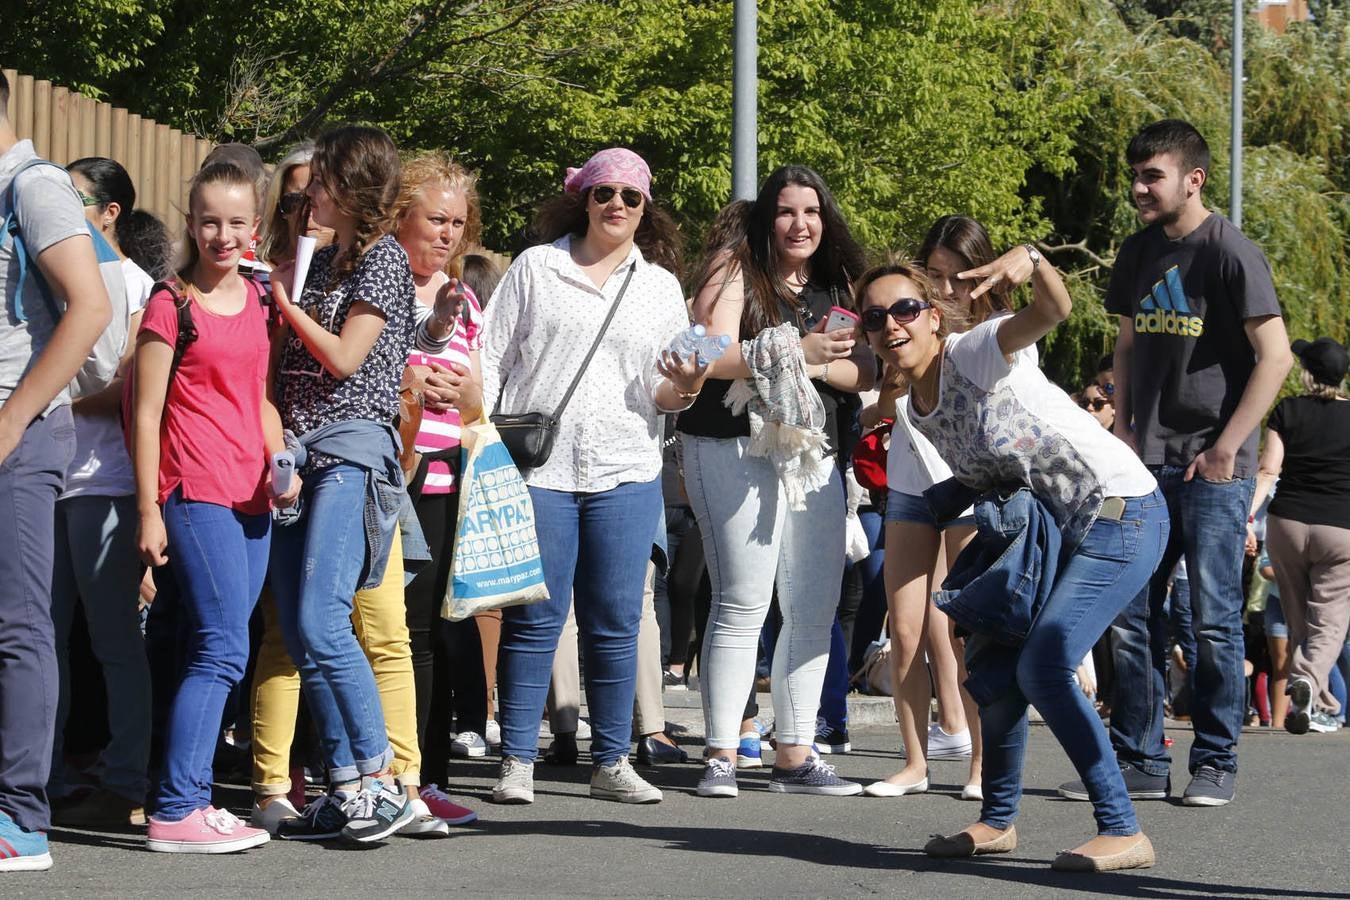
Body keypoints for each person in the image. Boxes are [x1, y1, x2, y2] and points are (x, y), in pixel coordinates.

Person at [857, 248, 1165, 870]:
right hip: (1051, 534)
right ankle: (997, 820)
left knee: (1048, 662)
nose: (891, 325)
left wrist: (1034, 262)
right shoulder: (917, 408)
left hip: (1118, 510)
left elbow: (1055, 308)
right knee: (995, 663)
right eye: (874, 318)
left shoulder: (975, 352)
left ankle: (1123, 827)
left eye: (905, 309)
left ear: (934, 318)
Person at [1074, 119, 1292, 808]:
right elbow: (1130, 349)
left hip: (1213, 470)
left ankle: (1217, 760)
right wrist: (1126, 432)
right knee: (1130, 611)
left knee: (1215, 618)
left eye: (1152, 176)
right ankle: (1140, 756)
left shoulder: (1230, 252)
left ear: (1193, 180)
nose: (1138, 188)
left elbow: (1277, 356)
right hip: (1144, 464)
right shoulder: (1138, 252)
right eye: (1134, 176)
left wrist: (1230, 445)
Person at [479, 147, 700, 806]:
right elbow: (490, 357)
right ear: (584, 197)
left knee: (615, 620)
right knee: (533, 619)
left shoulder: (660, 286)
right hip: (540, 469)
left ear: (644, 209)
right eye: (604, 192)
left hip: (626, 468)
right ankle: (517, 760)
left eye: (630, 198)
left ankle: (611, 760)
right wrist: (483, 445)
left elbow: (665, 391)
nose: (616, 206)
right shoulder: (537, 267)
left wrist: (685, 387)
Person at [678, 165, 875, 799]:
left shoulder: (838, 282)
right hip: (732, 444)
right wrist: (800, 354)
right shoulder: (733, 268)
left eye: (811, 212)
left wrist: (815, 361)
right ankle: (721, 754)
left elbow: (866, 372)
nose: (801, 224)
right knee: (743, 600)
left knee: (814, 605)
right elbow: (703, 355)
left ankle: (795, 752)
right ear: (767, 218)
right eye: (787, 212)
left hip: (813, 453)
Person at [133, 161, 292, 853]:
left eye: (235, 222)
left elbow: (256, 394)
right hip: (192, 492)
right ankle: (178, 807)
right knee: (222, 647)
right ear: (189, 222)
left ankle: (184, 798)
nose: (221, 235)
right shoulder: (172, 303)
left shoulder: (260, 298)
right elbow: (143, 416)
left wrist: (281, 462)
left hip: (252, 493)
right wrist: (147, 509)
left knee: (222, 645)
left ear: (253, 226)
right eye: (208, 221)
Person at [266, 125, 418, 843]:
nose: (309, 196)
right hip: (300, 453)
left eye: (321, 181)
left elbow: (347, 358)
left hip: (352, 448)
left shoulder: (385, 259)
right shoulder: (320, 260)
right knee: (300, 626)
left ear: (354, 189)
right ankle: (344, 786)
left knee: (326, 616)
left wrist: (283, 305)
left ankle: (382, 778)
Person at [0, 70, 115, 873]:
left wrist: (9, 423)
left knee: (17, 625)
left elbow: (92, 307)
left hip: (20, 432)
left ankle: (20, 820)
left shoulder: (33, 187)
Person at [864, 215, 1005, 801]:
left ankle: (979, 763)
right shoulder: (899, 331)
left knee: (963, 628)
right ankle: (915, 762)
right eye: (937, 278)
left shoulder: (995, 336)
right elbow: (876, 411)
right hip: (909, 486)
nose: (947, 290)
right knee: (904, 628)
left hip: (967, 485)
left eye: (959, 277)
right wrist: (891, 383)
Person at [47, 157, 155, 828]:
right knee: (38, 637)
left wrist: (52, 396)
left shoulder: (140, 285)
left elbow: (135, 389)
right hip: (50, 479)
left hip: (106, 483)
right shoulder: (55, 270)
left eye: (76, 200)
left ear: (110, 212)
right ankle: (43, 770)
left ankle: (126, 779)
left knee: (116, 640)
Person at [392, 151, 488, 819]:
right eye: (436, 218)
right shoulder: (378, 280)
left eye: (458, 221)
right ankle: (369, 771)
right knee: (376, 627)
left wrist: (466, 390)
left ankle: (427, 778)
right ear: (401, 215)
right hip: (389, 471)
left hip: (447, 471)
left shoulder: (465, 297)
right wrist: (410, 381)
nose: (448, 233)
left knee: (433, 630)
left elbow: (484, 394)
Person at [1253, 337, 1350, 735]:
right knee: (1329, 617)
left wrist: (1246, 515)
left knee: (1295, 613)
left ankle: (1319, 700)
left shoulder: (1288, 410)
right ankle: (1311, 683)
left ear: (1307, 374)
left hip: (1287, 523)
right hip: (1341, 527)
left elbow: (1269, 470)